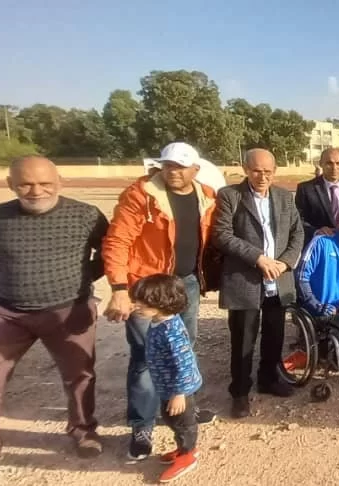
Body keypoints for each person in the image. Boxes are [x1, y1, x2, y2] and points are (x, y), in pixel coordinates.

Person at [0, 156, 108, 481]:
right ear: (10, 185)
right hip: (10, 314)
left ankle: (83, 430)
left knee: (80, 377)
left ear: (60, 182)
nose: (36, 191)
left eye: (45, 183)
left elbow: (110, 252)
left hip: (68, 311)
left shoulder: (86, 215)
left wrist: (83, 277)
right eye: (26, 184)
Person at [103, 142, 219, 461]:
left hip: (186, 284)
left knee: (183, 348)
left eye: (180, 166)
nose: (173, 171)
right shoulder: (141, 195)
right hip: (149, 287)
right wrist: (119, 288)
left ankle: (185, 408)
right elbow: (117, 241)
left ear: (195, 169)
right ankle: (143, 425)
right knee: (146, 356)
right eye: (168, 165)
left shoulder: (206, 195)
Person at [212, 149, 305, 418]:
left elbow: (297, 232)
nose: (262, 177)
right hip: (246, 279)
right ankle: (240, 392)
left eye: (267, 172)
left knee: (275, 334)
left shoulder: (284, 197)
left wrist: (285, 262)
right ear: (245, 169)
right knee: (243, 339)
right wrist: (258, 258)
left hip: (278, 278)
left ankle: (269, 378)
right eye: (256, 171)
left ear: (274, 172)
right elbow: (222, 235)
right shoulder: (230, 195)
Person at [129, 274, 203, 483]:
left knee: (183, 423)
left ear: (161, 303)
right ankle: (183, 448)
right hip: (167, 386)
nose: (136, 306)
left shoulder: (172, 332)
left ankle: (188, 454)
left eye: (142, 303)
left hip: (179, 390)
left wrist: (179, 394)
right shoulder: (157, 321)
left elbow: (184, 364)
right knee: (171, 418)